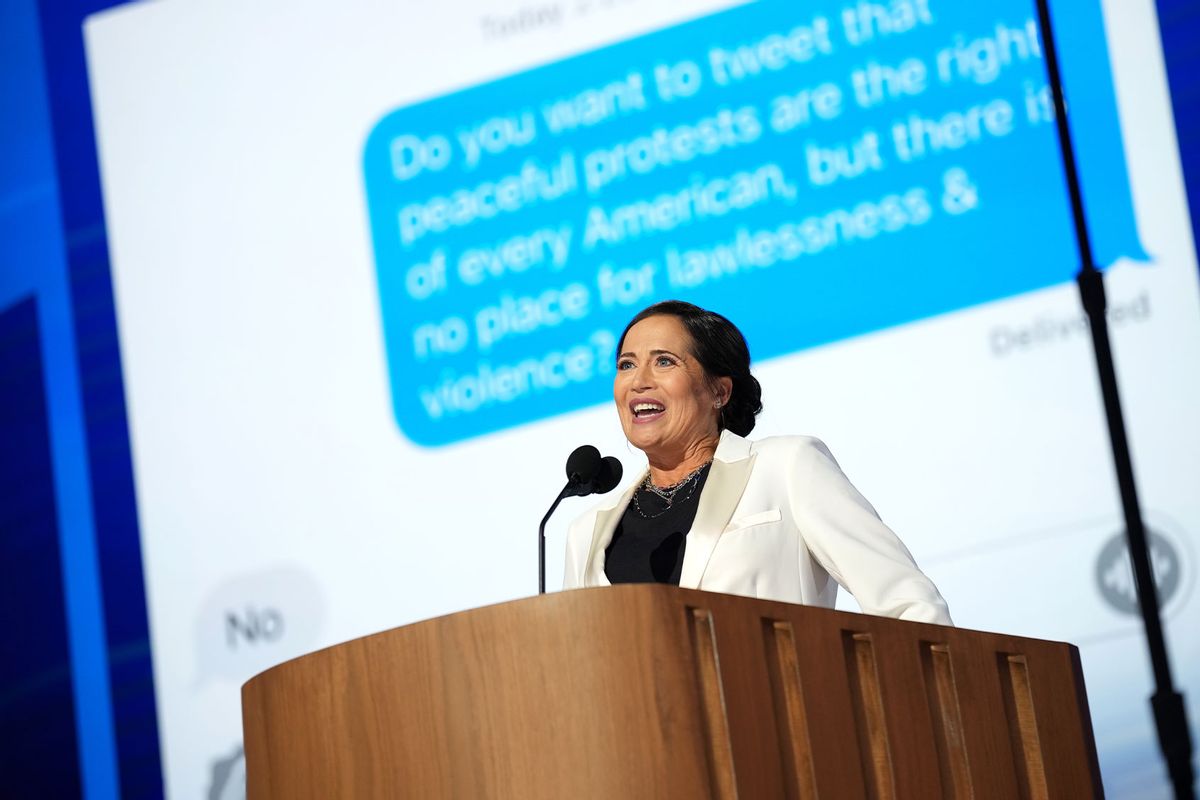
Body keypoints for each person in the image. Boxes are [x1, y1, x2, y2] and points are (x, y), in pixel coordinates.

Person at [562, 300, 952, 625]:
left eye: (664, 362)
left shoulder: (786, 468)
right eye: (626, 365)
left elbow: (910, 606)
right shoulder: (586, 534)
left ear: (719, 391)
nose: (638, 381)